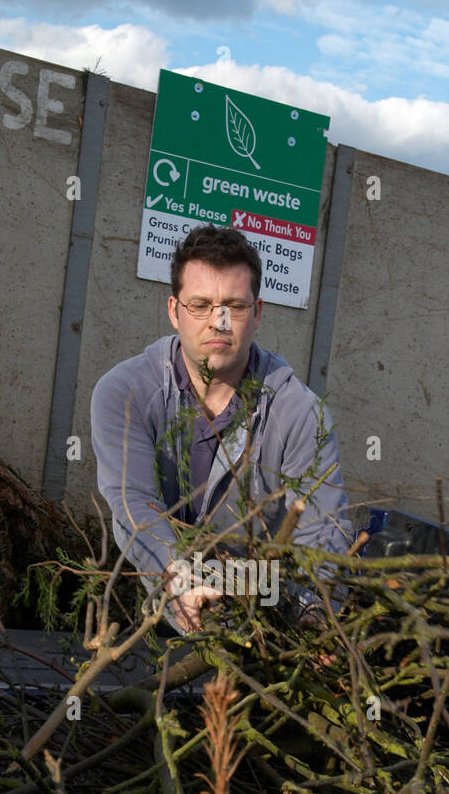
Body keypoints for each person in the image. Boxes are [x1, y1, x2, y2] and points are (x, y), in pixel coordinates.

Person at [90, 224, 354, 639]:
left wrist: (313, 613)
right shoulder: (125, 393)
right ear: (174, 311)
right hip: (160, 599)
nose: (220, 321)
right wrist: (180, 580)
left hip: (265, 608)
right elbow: (133, 504)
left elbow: (324, 528)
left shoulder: (299, 411)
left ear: (259, 313)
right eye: (201, 305)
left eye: (235, 305)